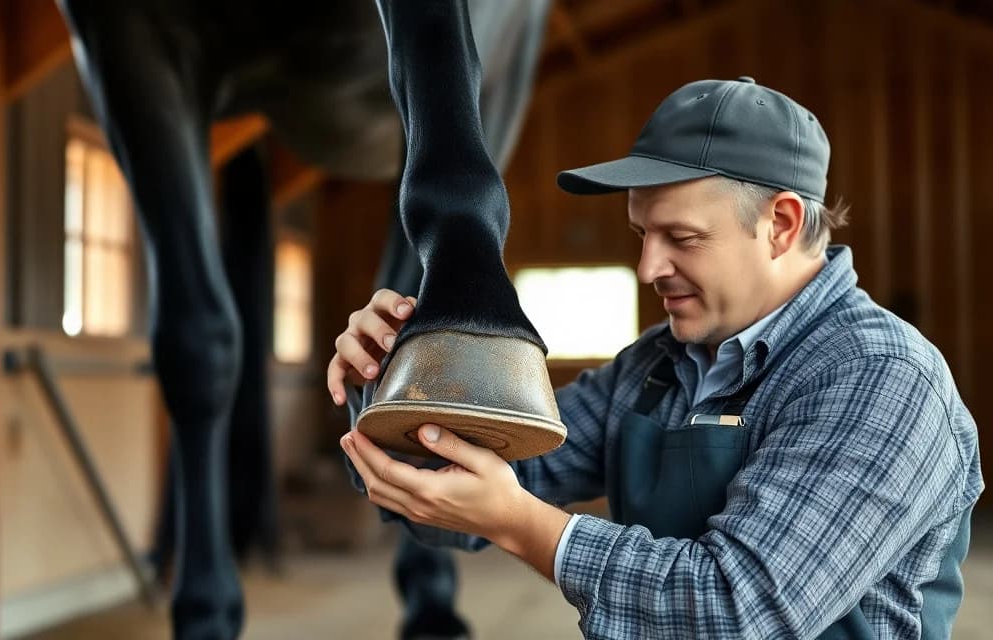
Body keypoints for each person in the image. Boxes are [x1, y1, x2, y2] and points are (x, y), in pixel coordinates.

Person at [326, 76, 984, 638]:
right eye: (642, 234)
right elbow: (474, 480)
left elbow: (735, 610)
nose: (648, 268)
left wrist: (525, 526)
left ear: (780, 225)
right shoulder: (654, 366)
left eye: (682, 238)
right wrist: (394, 386)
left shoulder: (880, 377)